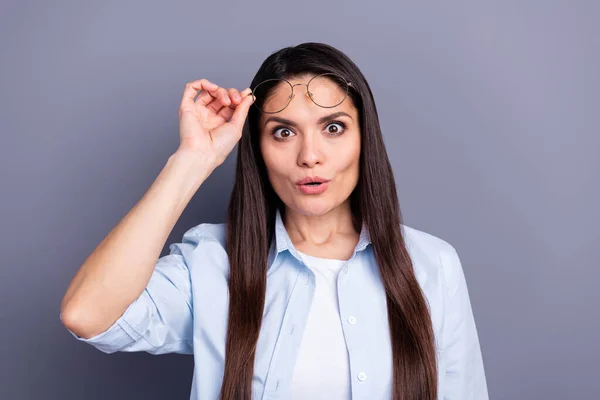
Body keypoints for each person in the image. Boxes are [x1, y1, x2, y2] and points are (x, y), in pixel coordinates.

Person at [59, 42, 489, 400]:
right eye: (283, 132)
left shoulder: (433, 265)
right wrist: (192, 160)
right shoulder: (211, 261)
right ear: (258, 149)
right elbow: (87, 313)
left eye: (334, 128)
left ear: (365, 138)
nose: (309, 155)